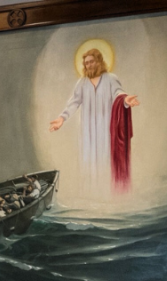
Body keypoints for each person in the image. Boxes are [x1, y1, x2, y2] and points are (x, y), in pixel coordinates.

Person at [49, 48, 140, 193]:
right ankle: (91, 195)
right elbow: (74, 102)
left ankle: (110, 196)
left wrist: (125, 99)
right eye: (86, 63)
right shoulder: (82, 83)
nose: (89, 65)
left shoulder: (110, 78)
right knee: (89, 163)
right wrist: (62, 118)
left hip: (106, 130)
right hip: (88, 132)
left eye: (91, 62)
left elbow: (118, 93)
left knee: (107, 162)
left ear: (99, 62)